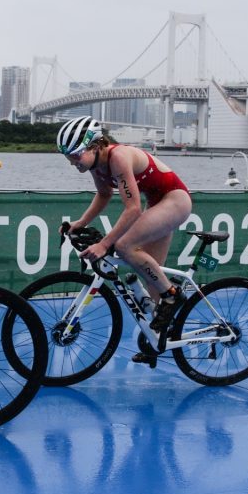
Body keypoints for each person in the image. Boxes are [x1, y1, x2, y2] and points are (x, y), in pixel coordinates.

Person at [57, 116, 193, 334]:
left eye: (75, 156)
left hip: (175, 200)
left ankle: (173, 295)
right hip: (158, 202)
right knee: (152, 276)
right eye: (68, 158)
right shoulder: (96, 164)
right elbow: (103, 195)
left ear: (94, 146)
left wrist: (104, 244)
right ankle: (159, 339)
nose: (73, 162)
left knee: (124, 246)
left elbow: (133, 209)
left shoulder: (118, 157)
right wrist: (80, 222)